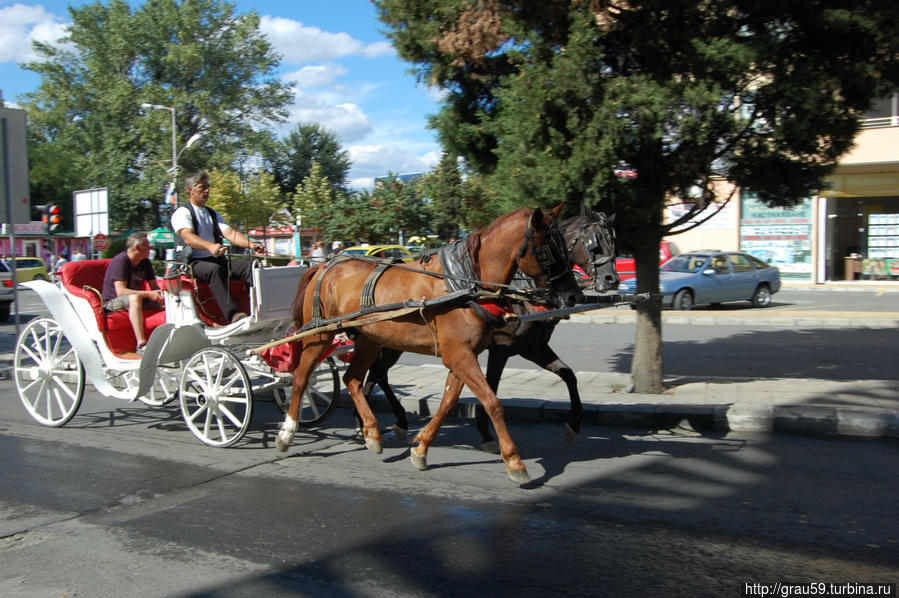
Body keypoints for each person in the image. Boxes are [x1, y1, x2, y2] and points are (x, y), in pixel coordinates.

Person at [171, 170, 265, 323]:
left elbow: (230, 233)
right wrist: (210, 247)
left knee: (251, 266)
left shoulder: (212, 214)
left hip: (216, 259)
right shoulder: (182, 212)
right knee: (213, 270)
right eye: (202, 187)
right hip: (193, 263)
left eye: (208, 187)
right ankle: (233, 315)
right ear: (190, 190)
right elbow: (188, 237)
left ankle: (256, 307)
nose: (207, 191)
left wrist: (252, 245)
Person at [101, 232, 164, 355]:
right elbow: (121, 292)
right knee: (134, 299)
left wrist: (161, 296)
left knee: (166, 301)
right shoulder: (120, 262)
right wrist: (149, 294)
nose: (150, 248)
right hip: (112, 302)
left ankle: (166, 339)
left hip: (136, 299)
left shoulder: (145, 262)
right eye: (147, 245)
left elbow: (154, 287)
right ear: (137, 247)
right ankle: (141, 344)